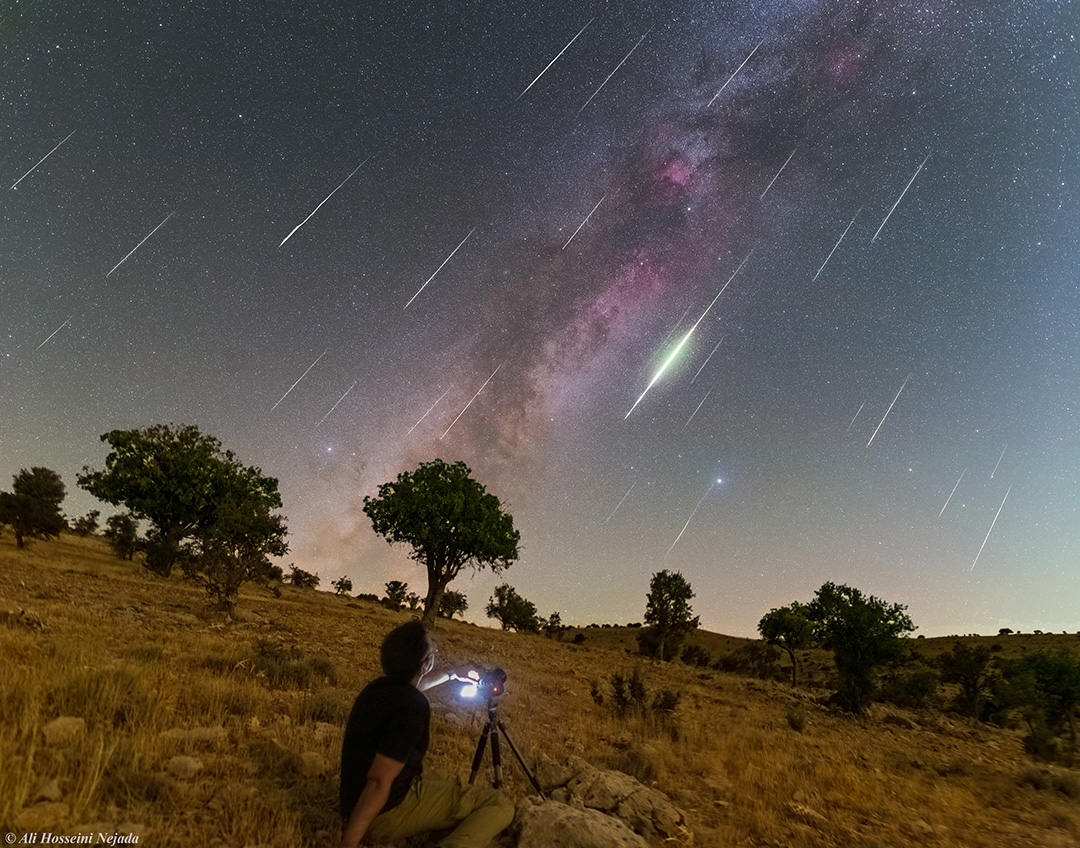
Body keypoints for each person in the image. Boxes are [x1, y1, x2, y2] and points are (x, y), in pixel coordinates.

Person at [337, 620, 515, 848]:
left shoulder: (377, 689)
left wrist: (452, 673)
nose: (436, 653)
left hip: (353, 803)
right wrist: (349, 842)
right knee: (499, 804)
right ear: (424, 665)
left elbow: (413, 687)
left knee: (448, 781)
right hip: (383, 815)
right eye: (433, 651)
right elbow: (379, 781)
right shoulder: (412, 706)